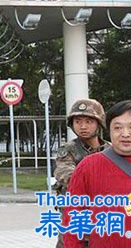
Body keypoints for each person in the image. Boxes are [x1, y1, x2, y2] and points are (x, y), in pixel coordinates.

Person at [63, 100, 131, 247]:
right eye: (117, 127)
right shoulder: (87, 167)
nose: (125, 134)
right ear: (109, 130)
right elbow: (73, 218)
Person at [53, 98, 109, 248]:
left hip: (105, 217)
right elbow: (64, 173)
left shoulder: (111, 150)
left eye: (89, 121)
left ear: (99, 123)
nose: (83, 126)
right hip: (76, 216)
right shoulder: (68, 149)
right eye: (78, 122)